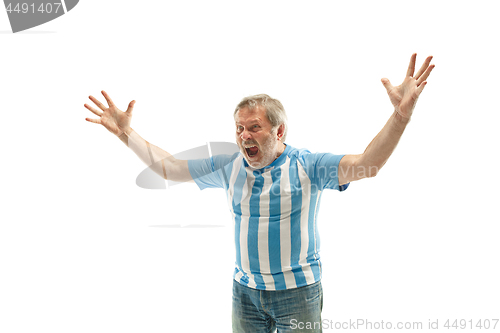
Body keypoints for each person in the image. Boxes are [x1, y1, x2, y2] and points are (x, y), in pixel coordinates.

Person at [84, 53, 434, 333]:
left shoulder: (308, 165)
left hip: (297, 295)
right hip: (245, 294)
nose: (244, 136)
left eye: (255, 127)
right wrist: (126, 135)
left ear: (279, 130)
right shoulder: (229, 165)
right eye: (239, 128)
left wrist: (401, 115)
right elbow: (168, 168)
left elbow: (367, 164)